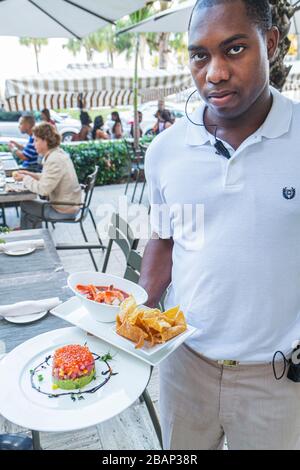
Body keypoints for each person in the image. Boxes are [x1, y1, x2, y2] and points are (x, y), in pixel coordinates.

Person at [139, 0, 300, 450]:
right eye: (199, 55)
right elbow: (165, 239)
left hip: (278, 379)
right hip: (183, 363)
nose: (214, 73)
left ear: (270, 44)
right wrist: (135, 314)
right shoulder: (166, 150)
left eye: (233, 49)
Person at [14, 122, 82, 229]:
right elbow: (49, 177)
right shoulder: (58, 153)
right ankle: (30, 231)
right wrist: (29, 174)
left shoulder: (54, 160)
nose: (33, 144)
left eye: (36, 140)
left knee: (26, 204)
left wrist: (25, 178)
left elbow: (43, 189)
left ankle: (30, 235)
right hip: (71, 206)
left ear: (45, 141)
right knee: (29, 207)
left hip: (64, 210)